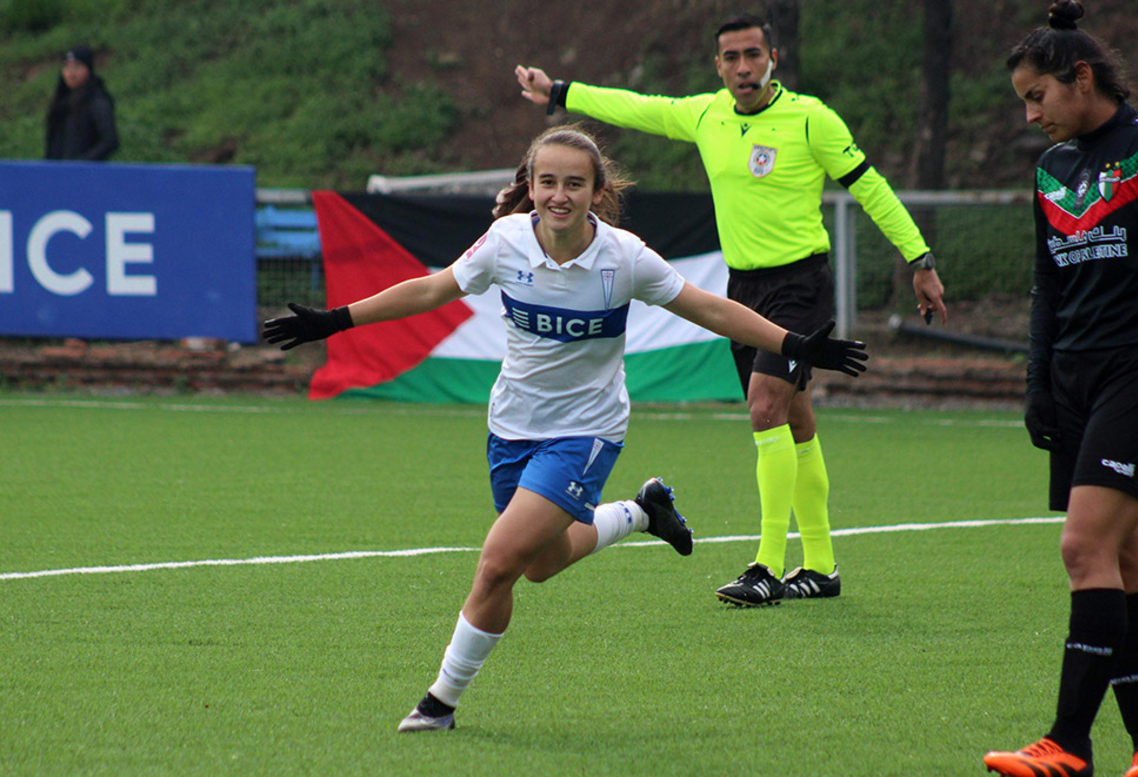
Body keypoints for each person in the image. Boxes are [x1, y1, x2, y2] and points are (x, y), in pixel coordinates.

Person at [263, 125, 868, 731]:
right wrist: (335, 321)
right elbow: (432, 289)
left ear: (597, 191)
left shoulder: (623, 257)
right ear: (529, 186)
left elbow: (707, 306)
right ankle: (642, 512)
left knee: (498, 562)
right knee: (540, 564)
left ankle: (439, 703)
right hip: (512, 426)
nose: (559, 195)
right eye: (547, 181)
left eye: (574, 183)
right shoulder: (505, 241)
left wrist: (792, 343)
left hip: (586, 433)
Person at [514, 14, 947, 607]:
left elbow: (869, 186)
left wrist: (919, 258)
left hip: (800, 286)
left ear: (773, 57)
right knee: (795, 421)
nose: (743, 67)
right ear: (718, 65)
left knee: (765, 407)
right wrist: (561, 93)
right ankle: (820, 566)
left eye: (752, 55)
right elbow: (637, 107)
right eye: (730, 58)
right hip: (743, 290)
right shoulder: (705, 114)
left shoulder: (810, 117)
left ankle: (767, 565)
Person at [983, 0, 1138, 777]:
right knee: (1123, 563)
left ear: (1081, 77)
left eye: (1038, 97)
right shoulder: (1053, 167)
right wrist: (1038, 383)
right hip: (1076, 379)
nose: (1031, 114)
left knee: (1082, 548)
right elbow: (1048, 282)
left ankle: (1068, 743)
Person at [45, 44, 119, 161]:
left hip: (86, 174)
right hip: (58, 172)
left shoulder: (97, 100)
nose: (71, 73)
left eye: (77, 67)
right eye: (67, 67)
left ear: (88, 69)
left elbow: (110, 140)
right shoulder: (61, 102)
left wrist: (81, 164)